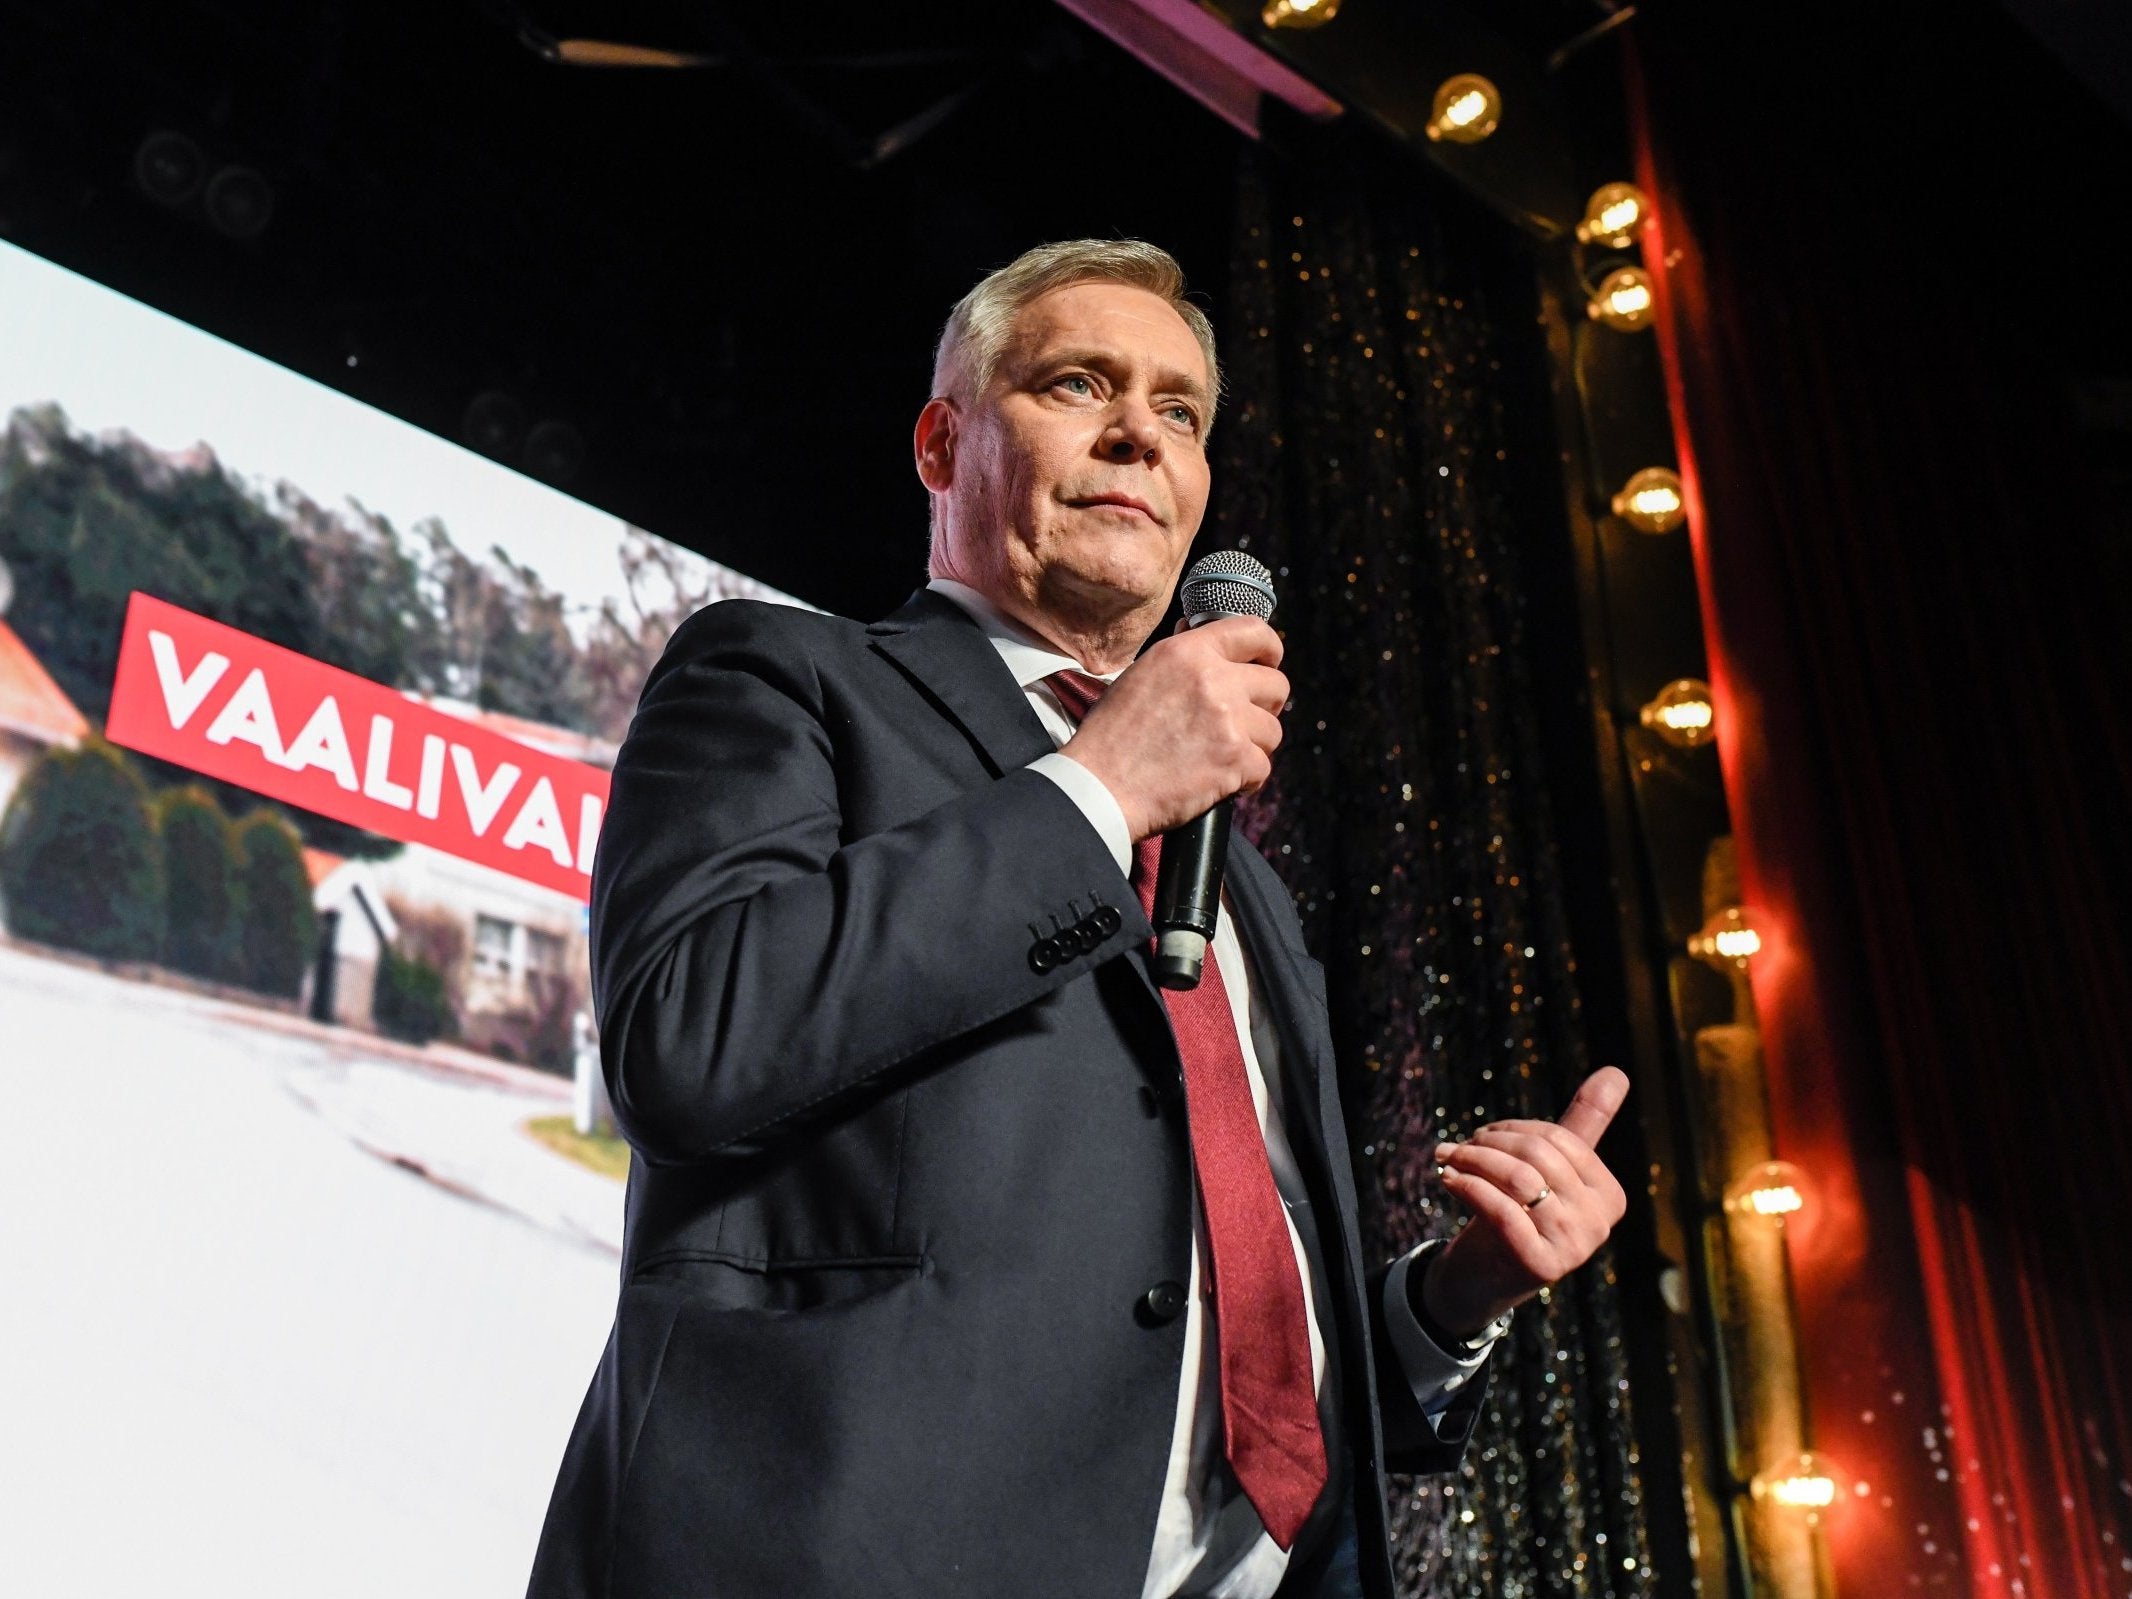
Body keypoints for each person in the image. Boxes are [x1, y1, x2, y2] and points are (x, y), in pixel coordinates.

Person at [526, 239, 1629, 1599]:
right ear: (942, 444)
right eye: (1078, 384)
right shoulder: (782, 681)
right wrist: (1095, 789)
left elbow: (1214, 1335)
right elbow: (691, 1043)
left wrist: (1449, 1302)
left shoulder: (1251, 892)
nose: (1138, 435)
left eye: (1180, 411)